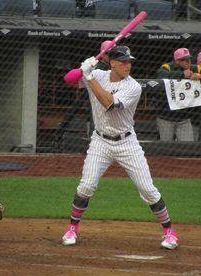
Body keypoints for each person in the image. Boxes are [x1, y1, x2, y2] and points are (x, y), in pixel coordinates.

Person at [62, 45, 178, 250]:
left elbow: (109, 103)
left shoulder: (133, 87)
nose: (127, 65)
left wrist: (89, 78)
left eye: (129, 61)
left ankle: (169, 232)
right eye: (123, 61)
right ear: (112, 63)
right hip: (100, 141)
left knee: (148, 189)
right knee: (86, 186)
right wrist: (83, 68)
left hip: (127, 143)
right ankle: (72, 229)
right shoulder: (98, 73)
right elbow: (68, 80)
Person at [155, 47, 201, 141]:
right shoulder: (167, 67)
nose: (188, 62)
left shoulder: (193, 67)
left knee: (188, 148)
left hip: (184, 118)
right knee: (165, 150)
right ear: (177, 61)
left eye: (189, 59)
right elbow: (160, 75)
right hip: (166, 117)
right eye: (184, 59)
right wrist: (182, 74)